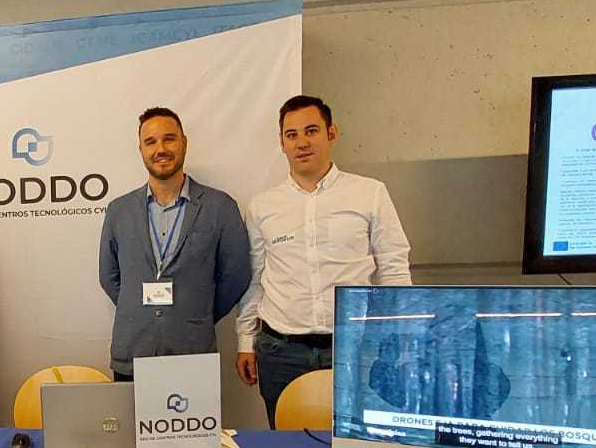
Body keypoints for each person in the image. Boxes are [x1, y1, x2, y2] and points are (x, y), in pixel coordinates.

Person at [236, 95, 411, 426]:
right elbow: (255, 279)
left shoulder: (369, 193)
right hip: (281, 352)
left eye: (311, 131)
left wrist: (401, 335)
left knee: (356, 445)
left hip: (355, 349)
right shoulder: (262, 206)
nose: (302, 142)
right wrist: (246, 340)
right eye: (292, 135)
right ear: (282, 143)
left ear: (331, 133)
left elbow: (393, 268)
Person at [98, 107, 252, 381]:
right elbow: (109, 276)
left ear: (184, 143)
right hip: (133, 352)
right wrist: (140, 311)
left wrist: (196, 311)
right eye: (151, 142)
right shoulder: (118, 210)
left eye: (169, 139)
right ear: (141, 150)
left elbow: (236, 276)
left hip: (192, 352)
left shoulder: (220, 207)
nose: (161, 149)